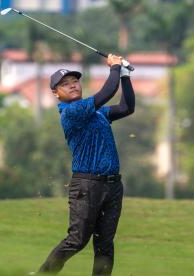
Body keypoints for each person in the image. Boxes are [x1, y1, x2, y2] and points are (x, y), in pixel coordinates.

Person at [37, 54, 135, 275]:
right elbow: (106, 92)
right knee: (77, 240)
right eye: (64, 84)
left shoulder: (97, 112)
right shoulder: (71, 112)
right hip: (87, 186)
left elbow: (127, 107)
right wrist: (116, 68)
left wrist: (126, 77)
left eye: (74, 81)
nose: (72, 85)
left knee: (105, 245)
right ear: (56, 93)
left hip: (112, 186)